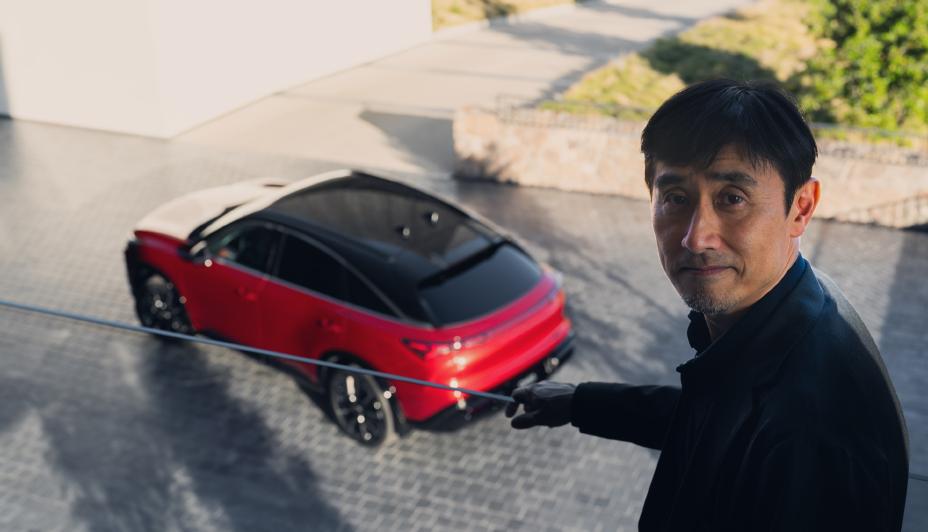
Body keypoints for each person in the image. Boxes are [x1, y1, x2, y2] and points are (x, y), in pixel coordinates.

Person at [505, 79, 909, 531]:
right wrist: (583, 404)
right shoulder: (796, 305)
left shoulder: (812, 435)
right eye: (676, 198)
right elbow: (720, 418)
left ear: (801, 208)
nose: (696, 237)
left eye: (732, 199)